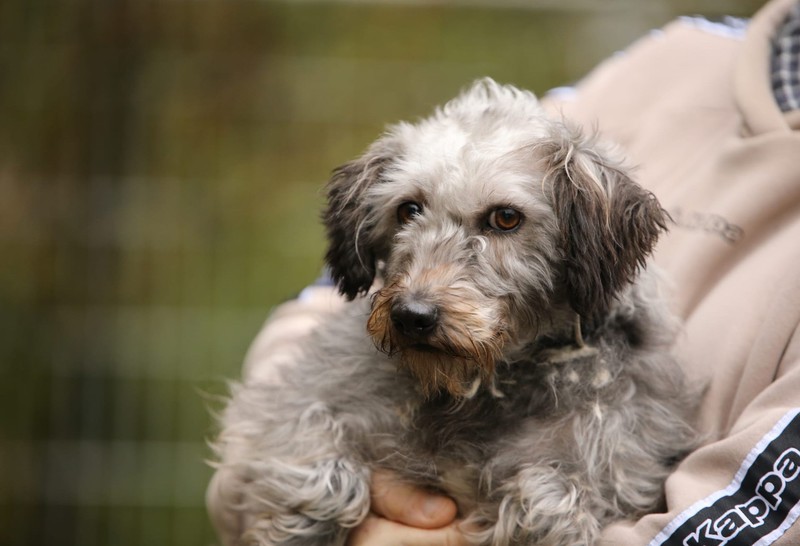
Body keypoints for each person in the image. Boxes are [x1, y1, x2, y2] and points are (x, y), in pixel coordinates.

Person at [207, 0, 800, 543]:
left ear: (593, 245)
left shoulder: (619, 409)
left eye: (504, 221)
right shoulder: (670, 58)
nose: (417, 298)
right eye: (409, 211)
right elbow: (312, 324)